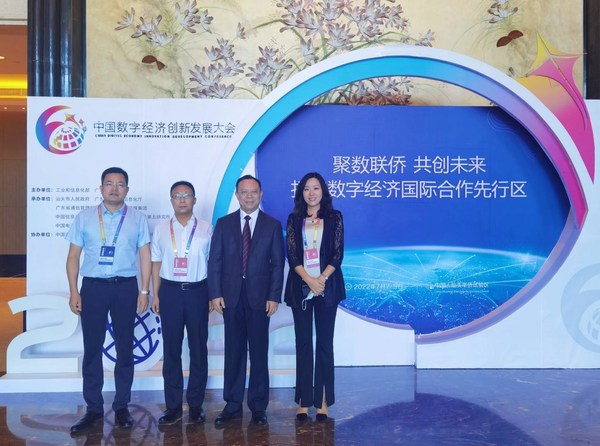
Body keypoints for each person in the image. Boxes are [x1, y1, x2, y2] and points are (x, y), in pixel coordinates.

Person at [66, 167, 151, 434]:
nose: (115, 188)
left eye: (120, 184)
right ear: (101, 188)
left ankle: (122, 406)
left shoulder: (137, 219)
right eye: (109, 184)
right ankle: (93, 409)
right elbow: (73, 256)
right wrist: (74, 291)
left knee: (125, 347)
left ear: (127, 189)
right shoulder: (84, 217)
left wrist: (144, 291)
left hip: (125, 287)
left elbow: (145, 256)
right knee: (92, 348)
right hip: (93, 288)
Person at [208, 174, 285, 426]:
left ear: (260, 195)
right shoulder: (224, 224)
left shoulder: (272, 225)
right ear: (237, 195)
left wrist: (274, 296)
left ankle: (258, 406)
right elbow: (215, 261)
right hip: (230, 297)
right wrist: (215, 293)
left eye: (253, 192)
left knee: (259, 353)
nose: (249, 196)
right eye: (244, 192)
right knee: (234, 352)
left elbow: (277, 264)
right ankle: (232, 404)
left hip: (260, 299)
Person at [284, 172, 345, 422]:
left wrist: (321, 280)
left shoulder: (334, 217)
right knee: (303, 342)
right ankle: (303, 400)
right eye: (307, 188)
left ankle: (322, 401)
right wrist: (309, 280)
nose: (311, 193)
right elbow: (292, 255)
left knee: (324, 343)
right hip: (301, 286)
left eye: (316, 188)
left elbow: (338, 253)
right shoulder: (294, 219)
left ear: (323, 191)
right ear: (302, 193)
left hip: (327, 287)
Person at [150, 181, 213, 425]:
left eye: (187, 195)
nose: (182, 199)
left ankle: (196, 405)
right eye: (177, 195)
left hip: (198, 292)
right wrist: (156, 295)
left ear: (194, 200)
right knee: (171, 350)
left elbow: (213, 264)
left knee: (198, 349)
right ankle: (173, 406)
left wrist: (212, 295)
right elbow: (156, 262)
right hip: (170, 293)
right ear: (171, 201)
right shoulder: (161, 229)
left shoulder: (206, 228)